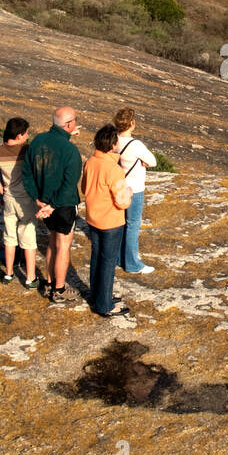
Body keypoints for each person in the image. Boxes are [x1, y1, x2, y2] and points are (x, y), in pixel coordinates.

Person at [19, 106, 83, 302]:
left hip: (43, 201)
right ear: (69, 124)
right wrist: (53, 205)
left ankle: (48, 282)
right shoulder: (71, 150)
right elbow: (69, 182)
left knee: (52, 242)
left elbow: (27, 174)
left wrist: (38, 199)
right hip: (62, 205)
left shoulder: (38, 141)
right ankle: (60, 289)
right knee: (63, 245)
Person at [79, 124, 133, 317]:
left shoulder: (91, 161)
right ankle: (105, 305)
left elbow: (85, 188)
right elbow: (122, 202)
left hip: (93, 219)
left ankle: (98, 295)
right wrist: (129, 193)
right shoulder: (113, 168)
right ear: (112, 145)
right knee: (108, 262)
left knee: (96, 258)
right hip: (111, 222)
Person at [0, 117, 38, 286]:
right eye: (26, 133)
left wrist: (4, 194)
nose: (27, 136)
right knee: (28, 236)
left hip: (8, 198)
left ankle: (8, 273)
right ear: (18, 135)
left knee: (9, 236)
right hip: (26, 200)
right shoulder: (27, 150)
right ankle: (30, 277)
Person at [113, 107, 157, 274]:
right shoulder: (135, 144)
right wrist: (142, 162)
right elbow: (152, 161)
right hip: (135, 189)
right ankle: (132, 263)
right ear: (132, 124)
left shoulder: (114, 141)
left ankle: (118, 258)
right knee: (132, 225)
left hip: (118, 187)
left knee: (120, 225)